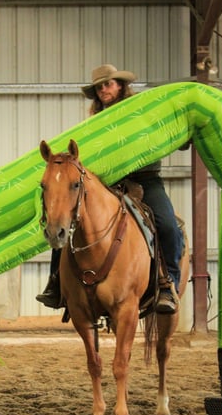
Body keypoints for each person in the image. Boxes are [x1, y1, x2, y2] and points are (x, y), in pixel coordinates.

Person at [36, 64, 185, 314]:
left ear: (120, 85)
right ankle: (56, 282)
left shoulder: (141, 111)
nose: (103, 89)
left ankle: (168, 283)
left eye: (108, 84)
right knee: (67, 218)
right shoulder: (95, 123)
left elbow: (162, 133)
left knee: (168, 225)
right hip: (108, 182)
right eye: (99, 86)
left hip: (146, 180)